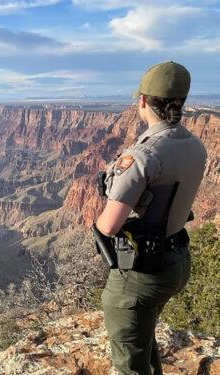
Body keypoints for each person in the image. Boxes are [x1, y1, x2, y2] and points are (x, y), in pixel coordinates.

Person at [95, 61, 207, 375]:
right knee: (142, 338)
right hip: (177, 262)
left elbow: (108, 225)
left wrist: (113, 188)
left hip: (144, 273)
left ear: (143, 101)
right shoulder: (195, 146)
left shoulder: (143, 155)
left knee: (129, 361)